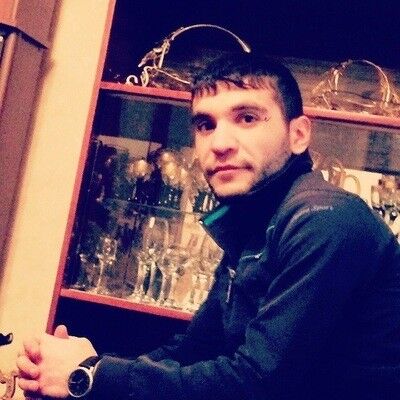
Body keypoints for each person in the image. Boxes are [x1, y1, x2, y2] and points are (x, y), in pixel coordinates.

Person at [17, 52, 400, 400]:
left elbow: (256, 385)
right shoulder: (255, 221)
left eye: (247, 118)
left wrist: (90, 376)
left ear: (298, 135)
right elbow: (195, 349)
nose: (219, 143)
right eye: (205, 124)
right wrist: (84, 368)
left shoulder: (324, 220)